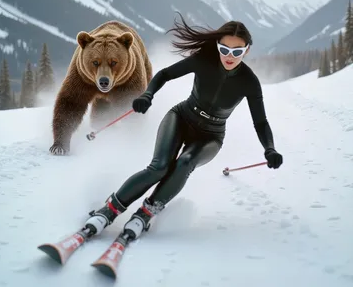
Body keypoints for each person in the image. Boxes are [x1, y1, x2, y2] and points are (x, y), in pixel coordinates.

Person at [82, 14, 284, 240]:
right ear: (217, 45)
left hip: (211, 136)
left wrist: (270, 148)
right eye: (224, 49)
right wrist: (148, 94)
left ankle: (146, 213)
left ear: (246, 51)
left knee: (184, 163)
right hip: (181, 117)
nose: (229, 56)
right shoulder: (204, 60)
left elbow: (261, 122)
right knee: (158, 167)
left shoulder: (249, 81)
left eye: (237, 51)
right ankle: (109, 210)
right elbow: (165, 74)